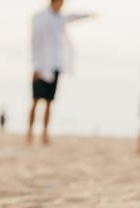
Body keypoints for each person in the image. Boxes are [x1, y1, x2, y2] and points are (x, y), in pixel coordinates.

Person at [27, 0, 94, 145]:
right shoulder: (40, 18)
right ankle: (29, 132)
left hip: (55, 64)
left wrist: (90, 15)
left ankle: (45, 133)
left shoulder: (60, 18)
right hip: (41, 65)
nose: (63, 4)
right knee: (36, 100)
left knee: (50, 102)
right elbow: (35, 42)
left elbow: (74, 17)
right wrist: (36, 65)